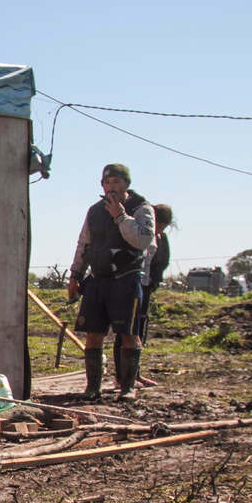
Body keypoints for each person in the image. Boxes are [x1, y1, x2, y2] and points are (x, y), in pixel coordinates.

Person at [67, 163, 155, 402]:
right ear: (102, 185)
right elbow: (84, 243)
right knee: (93, 333)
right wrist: (75, 275)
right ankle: (92, 387)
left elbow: (143, 241)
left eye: (117, 182)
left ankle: (128, 387)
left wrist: (120, 216)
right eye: (108, 182)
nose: (112, 187)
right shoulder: (94, 210)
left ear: (126, 184)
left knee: (128, 334)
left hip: (125, 280)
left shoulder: (141, 208)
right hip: (97, 279)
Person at [113, 203, 173, 388]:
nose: (159, 230)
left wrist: (153, 283)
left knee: (139, 331)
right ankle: (121, 377)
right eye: (159, 225)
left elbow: (162, 262)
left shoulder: (161, 239)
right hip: (128, 285)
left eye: (163, 228)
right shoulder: (136, 232)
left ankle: (134, 374)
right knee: (125, 331)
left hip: (145, 287)